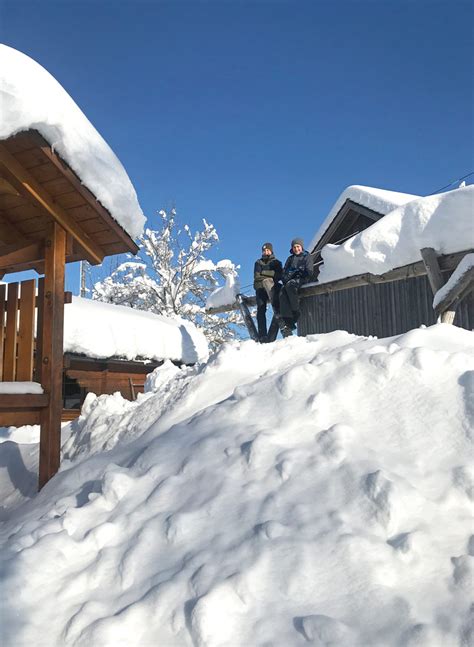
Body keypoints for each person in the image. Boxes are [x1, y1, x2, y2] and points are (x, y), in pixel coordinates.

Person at [279, 238, 313, 336]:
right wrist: (286, 276)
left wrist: (299, 272)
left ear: (301, 247)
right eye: (294, 247)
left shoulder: (307, 256)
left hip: (302, 279)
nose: (296, 249)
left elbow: (309, 271)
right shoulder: (290, 259)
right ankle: (288, 320)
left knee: (290, 285)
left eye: (298, 246)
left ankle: (295, 311)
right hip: (290, 280)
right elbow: (284, 271)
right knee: (282, 291)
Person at [253, 242, 282, 342]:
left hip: (272, 287)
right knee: (261, 309)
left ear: (271, 250)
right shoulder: (258, 262)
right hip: (260, 288)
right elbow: (256, 276)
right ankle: (262, 335)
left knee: (276, 307)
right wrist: (271, 275)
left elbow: (278, 275)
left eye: (267, 250)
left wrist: (264, 272)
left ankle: (277, 331)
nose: (266, 252)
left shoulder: (277, 262)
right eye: (264, 250)